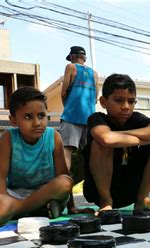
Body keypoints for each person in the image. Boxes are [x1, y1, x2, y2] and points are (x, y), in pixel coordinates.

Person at [82, 74, 150, 212]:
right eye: (118, 100)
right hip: (98, 192)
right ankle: (106, 202)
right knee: (101, 144)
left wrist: (119, 135)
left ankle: (142, 199)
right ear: (103, 102)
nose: (126, 107)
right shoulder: (97, 118)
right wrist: (142, 139)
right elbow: (106, 138)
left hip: (131, 190)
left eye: (131, 101)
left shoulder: (136, 119)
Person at [0, 87, 73, 226]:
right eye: (28, 117)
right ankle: (32, 210)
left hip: (44, 194)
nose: (37, 122)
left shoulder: (53, 137)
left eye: (41, 116)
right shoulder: (8, 138)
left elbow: (63, 174)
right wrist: (3, 201)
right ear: (13, 120)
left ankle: (17, 211)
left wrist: (72, 207)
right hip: (14, 194)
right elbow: (0, 177)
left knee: (65, 182)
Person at [60, 46, 98, 214]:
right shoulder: (94, 73)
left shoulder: (70, 67)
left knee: (65, 156)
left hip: (71, 116)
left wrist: (68, 108)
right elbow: (95, 97)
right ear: (85, 58)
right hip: (89, 118)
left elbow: (63, 92)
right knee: (89, 156)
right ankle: (102, 200)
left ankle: (71, 205)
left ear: (73, 57)